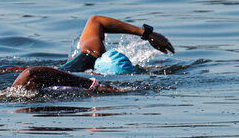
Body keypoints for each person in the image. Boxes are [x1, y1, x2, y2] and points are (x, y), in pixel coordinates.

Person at [12, 15, 175, 91]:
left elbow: (32, 73)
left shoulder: (88, 59)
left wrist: (146, 34)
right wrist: (147, 34)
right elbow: (95, 21)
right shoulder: (89, 59)